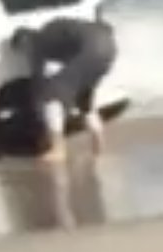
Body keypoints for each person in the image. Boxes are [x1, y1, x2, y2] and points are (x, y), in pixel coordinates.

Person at [11, 17, 117, 161]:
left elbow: (39, 83)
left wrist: (39, 116)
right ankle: (98, 145)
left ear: (25, 42)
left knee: (50, 95)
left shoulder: (38, 44)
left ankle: (58, 149)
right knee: (85, 100)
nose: (25, 55)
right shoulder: (51, 31)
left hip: (90, 48)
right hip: (108, 48)